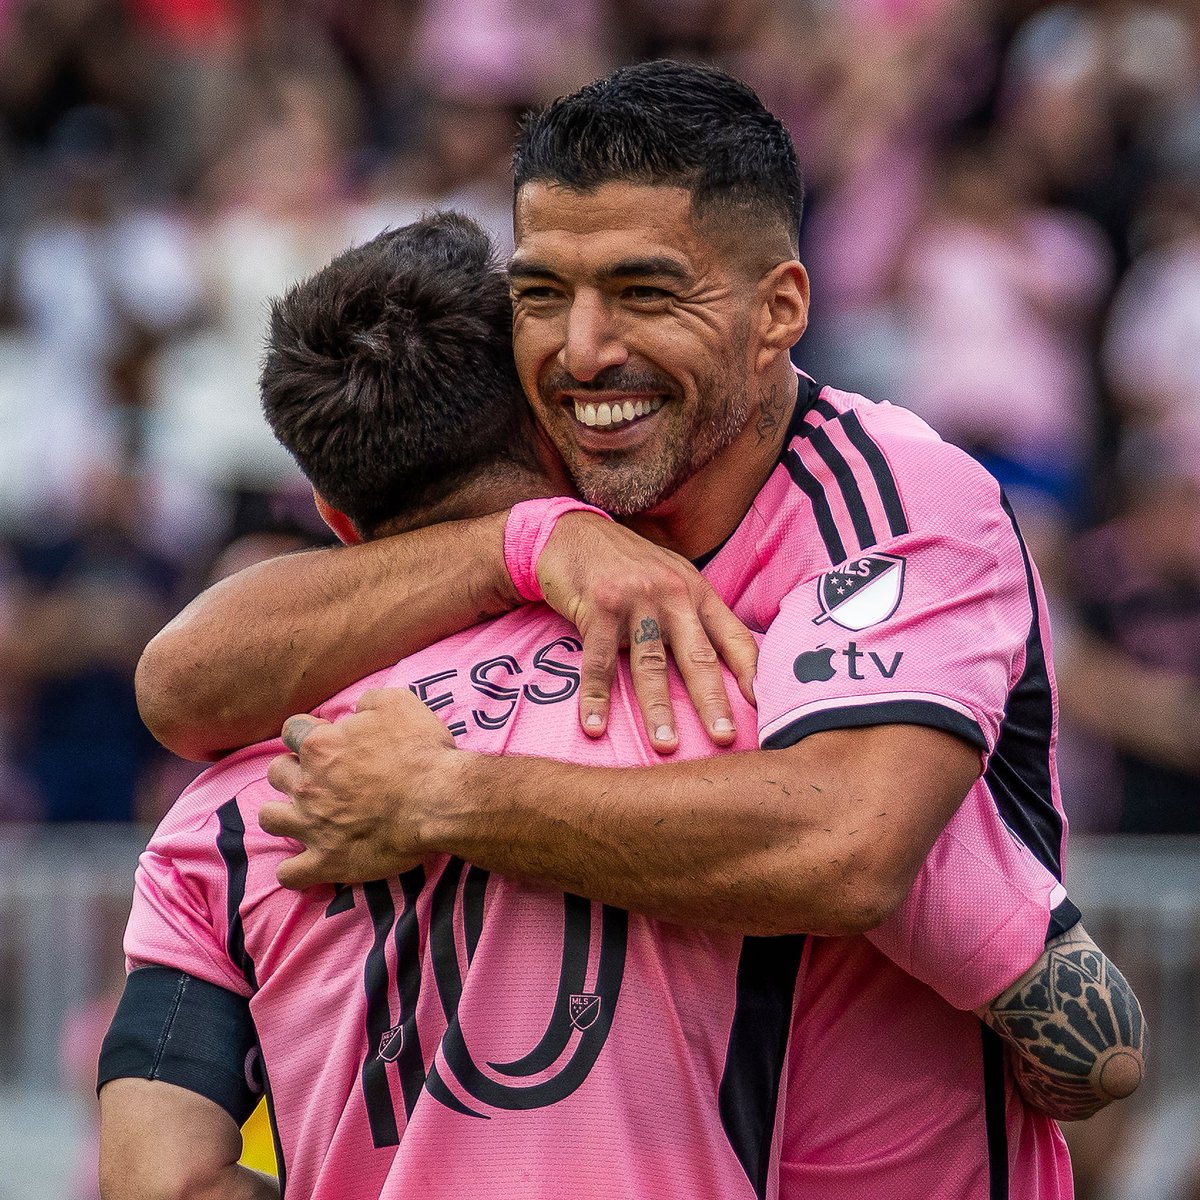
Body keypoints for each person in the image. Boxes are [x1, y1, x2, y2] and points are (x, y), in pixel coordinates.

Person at [131, 65, 1145, 1190]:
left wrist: (448, 797)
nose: (582, 348)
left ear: (781, 309)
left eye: (645, 291)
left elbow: (846, 846)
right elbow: (181, 684)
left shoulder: (894, 498)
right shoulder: (571, 495)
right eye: (542, 292)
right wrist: (527, 540)